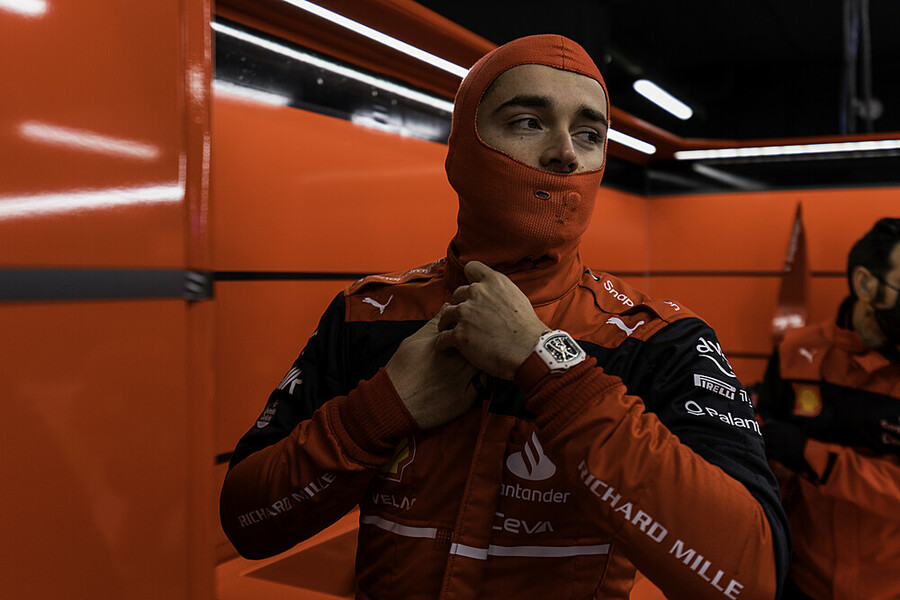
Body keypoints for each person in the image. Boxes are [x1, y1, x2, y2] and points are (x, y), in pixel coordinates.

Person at [220, 34, 790, 599]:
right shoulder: (366, 315)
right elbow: (247, 521)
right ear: (462, 151)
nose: (566, 153)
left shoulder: (660, 341)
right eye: (528, 122)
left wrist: (552, 369)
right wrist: (382, 410)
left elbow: (750, 576)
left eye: (589, 134)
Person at [757, 217, 900, 600]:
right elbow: (763, 451)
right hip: (802, 577)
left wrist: (813, 456)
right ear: (866, 284)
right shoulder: (795, 350)